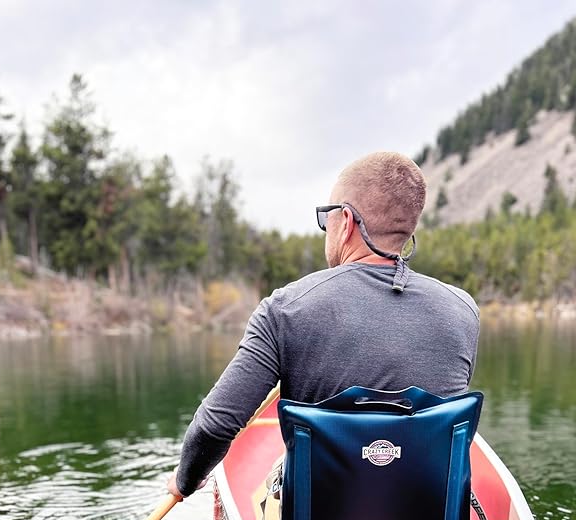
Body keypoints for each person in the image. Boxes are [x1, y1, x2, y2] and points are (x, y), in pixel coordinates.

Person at [167, 151, 479, 500]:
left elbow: (214, 428)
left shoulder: (284, 310)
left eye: (327, 216)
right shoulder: (463, 309)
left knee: (270, 488)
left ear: (346, 221)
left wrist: (186, 481)